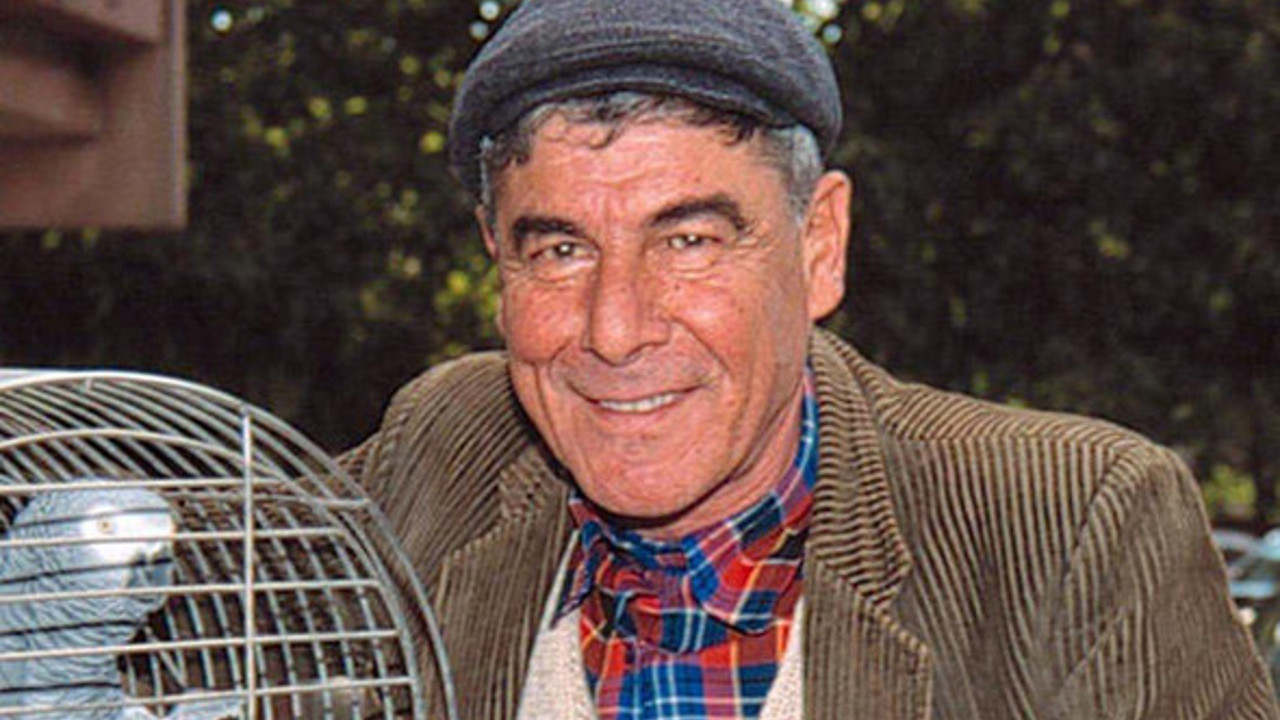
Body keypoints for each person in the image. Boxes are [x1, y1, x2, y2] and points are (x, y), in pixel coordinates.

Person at [341, 0, 1278, 717]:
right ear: (497, 260)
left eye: (690, 241)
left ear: (819, 244)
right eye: (559, 250)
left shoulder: (1071, 526)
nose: (615, 330)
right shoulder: (441, 450)